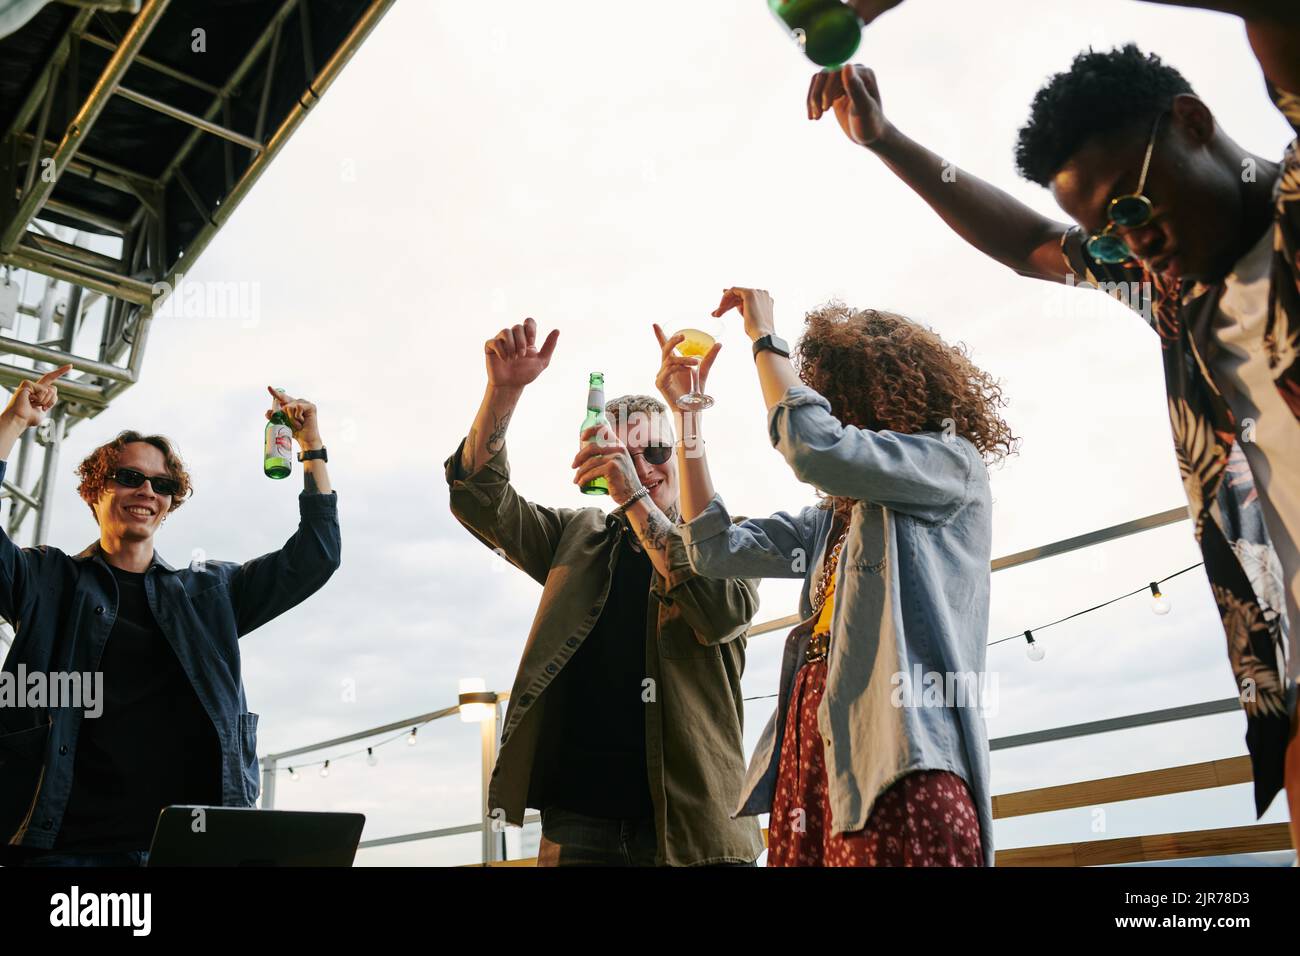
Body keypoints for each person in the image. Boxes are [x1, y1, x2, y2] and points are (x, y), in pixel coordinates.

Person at [807, 0, 1300, 842]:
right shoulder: (1174, 295)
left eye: (1133, 209)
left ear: (1192, 121)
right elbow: (1030, 242)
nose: (1132, 246)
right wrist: (886, 141)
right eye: (1107, 239)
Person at [668, 288, 1014, 865]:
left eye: (826, 393)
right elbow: (713, 548)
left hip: (900, 750)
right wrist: (688, 418)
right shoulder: (833, 518)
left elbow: (813, 446)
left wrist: (764, 337)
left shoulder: (950, 464)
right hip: (816, 748)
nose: (816, 404)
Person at [444, 318, 764, 866]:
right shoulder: (579, 537)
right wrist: (504, 392)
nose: (644, 466)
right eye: (624, 451)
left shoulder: (729, 535)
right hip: (579, 827)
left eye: (657, 450)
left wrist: (635, 496)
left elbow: (716, 611)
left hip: (693, 833)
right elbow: (479, 499)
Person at [0, 369, 340, 866]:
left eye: (161, 484)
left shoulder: (210, 593)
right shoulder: (47, 580)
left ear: (169, 504)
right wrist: (11, 424)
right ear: (94, 490)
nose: (146, 491)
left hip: (185, 851)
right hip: (63, 850)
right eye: (129, 477)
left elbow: (316, 556)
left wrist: (312, 446)